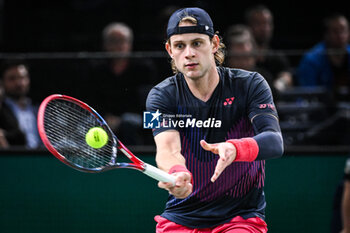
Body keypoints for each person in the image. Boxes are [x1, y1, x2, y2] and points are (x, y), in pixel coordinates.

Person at [146, 7, 284, 232]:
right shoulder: (158, 96)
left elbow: (275, 142)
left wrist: (235, 148)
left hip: (240, 217)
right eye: (180, 45)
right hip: (181, 215)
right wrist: (176, 174)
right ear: (169, 50)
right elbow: (166, 149)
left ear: (215, 43)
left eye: (197, 43)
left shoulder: (252, 84)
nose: (189, 53)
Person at [83, 22, 158, 145]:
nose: (118, 46)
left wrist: (120, 119)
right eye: (113, 41)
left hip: (135, 116)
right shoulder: (96, 68)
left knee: (129, 122)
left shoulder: (144, 67)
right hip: (104, 117)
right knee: (86, 123)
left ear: (129, 44)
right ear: (105, 45)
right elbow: (92, 98)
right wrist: (105, 116)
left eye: (122, 41)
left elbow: (149, 102)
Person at [296, 14, 350, 102]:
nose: (341, 35)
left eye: (344, 30)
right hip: (321, 109)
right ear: (326, 34)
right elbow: (308, 95)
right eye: (335, 31)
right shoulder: (311, 60)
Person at [245, 5, 293, 92]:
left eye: (267, 23)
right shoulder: (240, 57)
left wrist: (277, 86)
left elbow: (286, 77)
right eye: (258, 23)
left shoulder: (278, 58)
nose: (264, 28)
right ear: (249, 25)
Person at [0, 60, 41, 148]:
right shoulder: (1, 108)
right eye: (12, 78)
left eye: (22, 77)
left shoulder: (38, 107)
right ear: (2, 82)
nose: (19, 83)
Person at [225, 24, 274, 91]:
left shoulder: (264, 80)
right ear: (228, 59)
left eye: (246, 57)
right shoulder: (218, 81)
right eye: (237, 58)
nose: (242, 63)